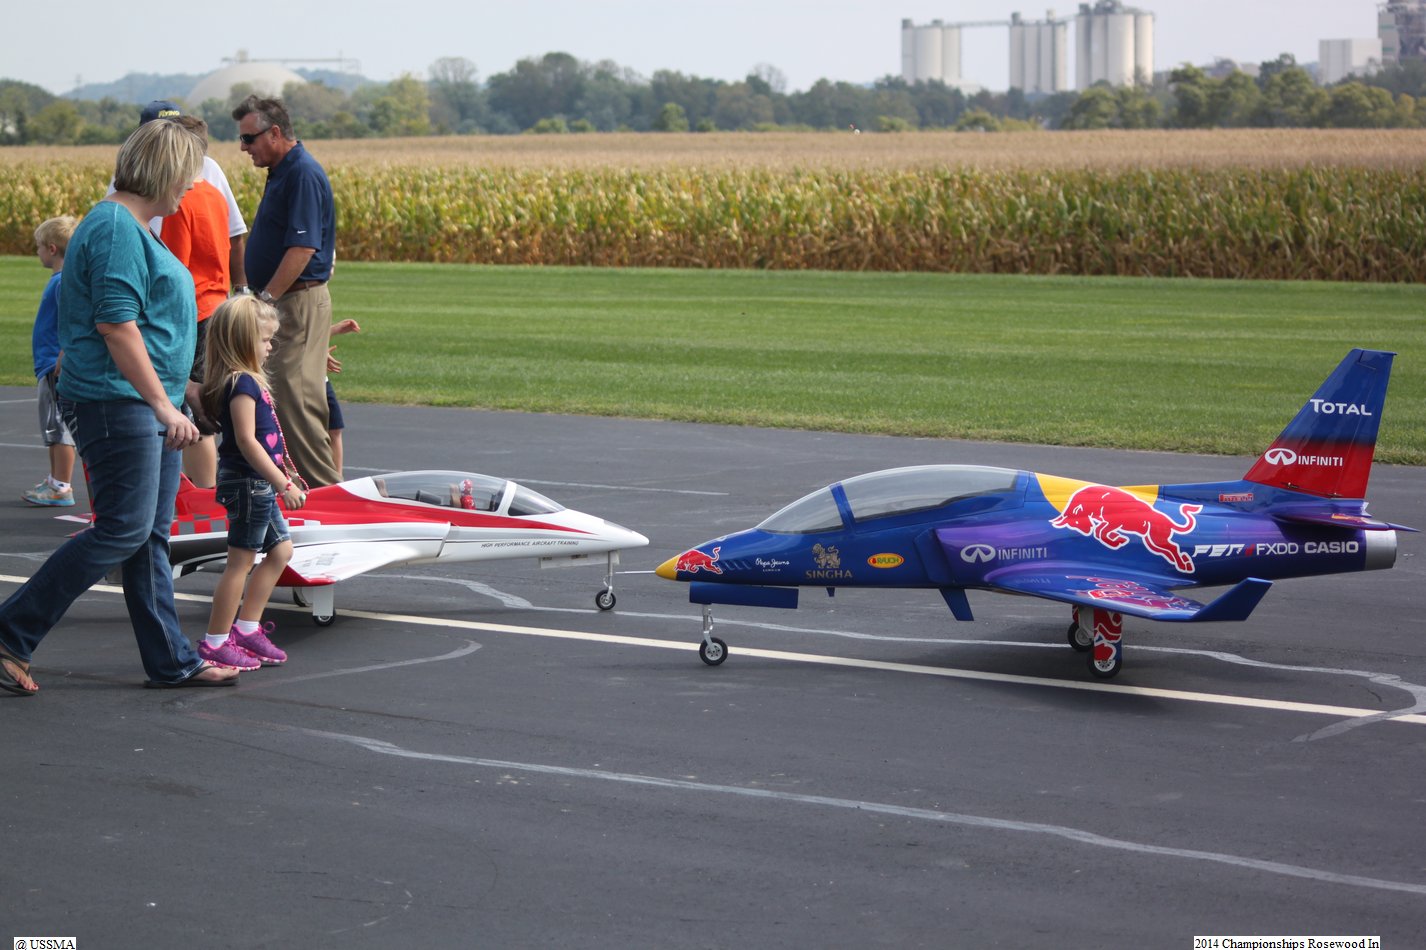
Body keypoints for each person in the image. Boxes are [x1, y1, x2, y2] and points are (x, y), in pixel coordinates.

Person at [0, 119, 239, 696]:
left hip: (141, 401)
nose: (193, 185)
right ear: (164, 171)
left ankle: (171, 661)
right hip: (117, 402)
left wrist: (183, 391)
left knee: (148, 535)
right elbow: (116, 325)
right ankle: (9, 631)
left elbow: (147, 328)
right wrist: (163, 404)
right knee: (123, 529)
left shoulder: (133, 227)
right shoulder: (114, 228)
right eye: (188, 173)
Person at [233, 94, 342, 488]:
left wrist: (265, 300)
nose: (244, 147)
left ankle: (326, 495)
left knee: (297, 401)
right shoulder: (283, 170)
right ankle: (307, 492)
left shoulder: (301, 174)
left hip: (296, 301)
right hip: (289, 301)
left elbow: (302, 248)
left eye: (249, 138)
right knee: (285, 397)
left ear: (275, 133)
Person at [197, 296, 306, 670]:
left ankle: (246, 628)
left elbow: (264, 439)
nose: (270, 346)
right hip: (249, 484)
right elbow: (246, 441)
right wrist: (283, 484)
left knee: (280, 552)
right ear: (243, 341)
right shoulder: (241, 383)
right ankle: (215, 642)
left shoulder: (248, 381)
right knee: (239, 563)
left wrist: (282, 472)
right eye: (265, 339)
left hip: (258, 482)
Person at [159, 114, 237, 488]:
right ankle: (205, 489)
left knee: (189, 408)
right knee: (204, 403)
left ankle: (203, 493)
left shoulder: (182, 200)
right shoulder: (214, 195)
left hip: (192, 310)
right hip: (217, 303)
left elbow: (175, 270)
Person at [23, 215, 79, 508]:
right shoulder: (60, 281)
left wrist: (62, 356)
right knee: (51, 425)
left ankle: (61, 486)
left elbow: (73, 322)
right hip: (48, 366)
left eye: (39, 247)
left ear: (52, 249)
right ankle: (54, 480)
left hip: (54, 366)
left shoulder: (62, 283)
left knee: (59, 427)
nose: (38, 252)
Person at [326, 317, 361, 480]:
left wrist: (334, 330)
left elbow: (311, 336)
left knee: (335, 429)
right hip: (305, 382)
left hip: (321, 380)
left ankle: (338, 480)